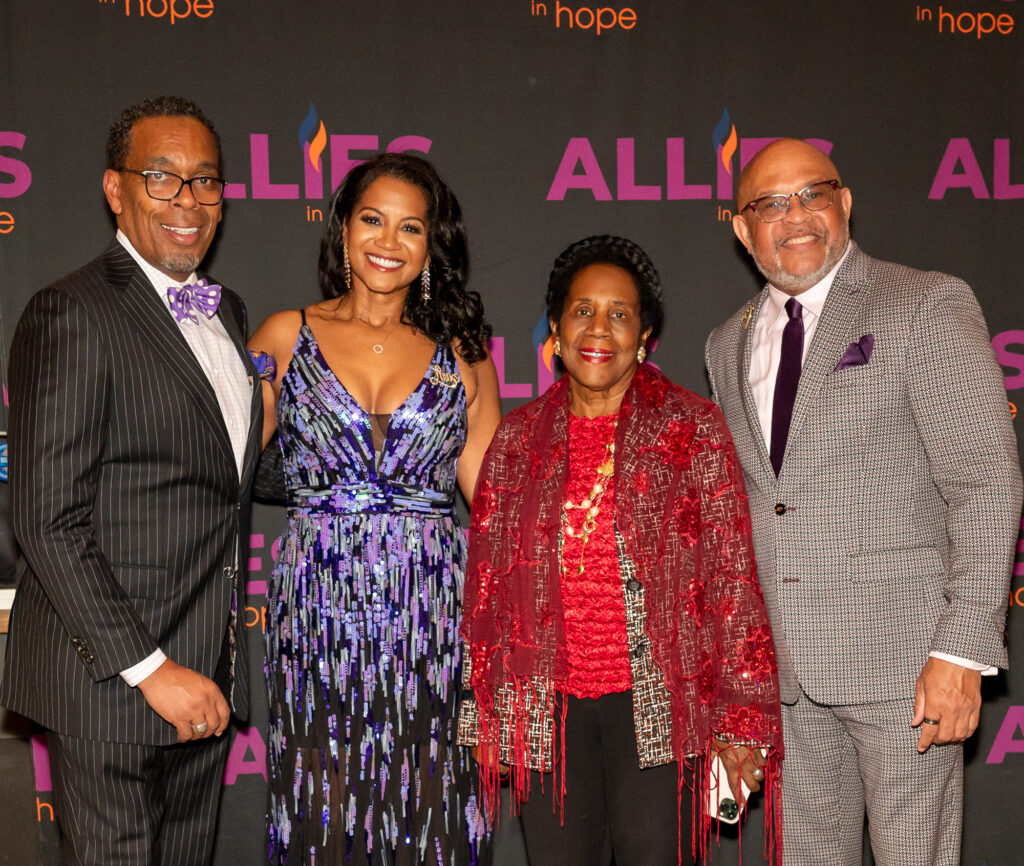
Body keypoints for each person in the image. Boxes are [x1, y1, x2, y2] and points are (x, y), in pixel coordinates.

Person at [705, 138, 1023, 865]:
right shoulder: (728, 342)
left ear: (844, 205)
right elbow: (757, 509)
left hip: (906, 668)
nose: (796, 217)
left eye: (814, 194)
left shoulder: (924, 303)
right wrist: (742, 678)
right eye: (770, 204)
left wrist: (961, 651)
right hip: (788, 676)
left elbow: (984, 480)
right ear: (742, 228)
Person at [458, 235, 783, 866]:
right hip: (547, 709)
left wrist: (741, 720)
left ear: (645, 334)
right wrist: (489, 714)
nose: (598, 329)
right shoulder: (518, 441)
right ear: (554, 328)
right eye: (581, 311)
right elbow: (488, 590)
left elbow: (732, 577)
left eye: (619, 313)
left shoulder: (691, 429)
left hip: (663, 704)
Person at [1, 96, 263, 865]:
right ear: (116, 190)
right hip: (111, 680)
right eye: (163, 178)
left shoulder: (231, 313)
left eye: (206, 181)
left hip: (206, 673)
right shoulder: (71, 311)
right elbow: (46, 517)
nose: (189, 201)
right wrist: (151, 670)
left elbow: (220, 479)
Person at [248, 152, 501, 865]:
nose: (388, 241)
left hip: (431, 622)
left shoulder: (463, 356)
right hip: (317, 615)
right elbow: (215, 469)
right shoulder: (283, 337)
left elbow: (497, 513)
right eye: (372, 219)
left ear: (431, 246)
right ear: (342, 229)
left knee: (431, 811)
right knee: (319, 807)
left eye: (410, 227)